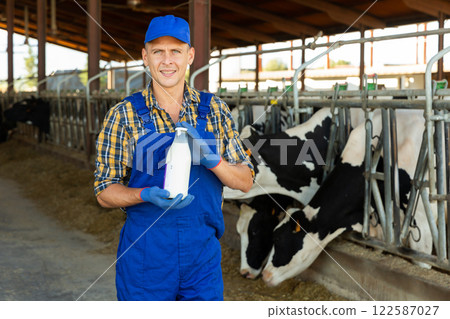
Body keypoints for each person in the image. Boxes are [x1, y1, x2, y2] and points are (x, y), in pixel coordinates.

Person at [94, 15, 254, 301]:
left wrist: (213, 161)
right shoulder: (123, 115)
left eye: (176, 51)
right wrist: (144, 194)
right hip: (146, 257)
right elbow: (104, 192)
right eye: (158, 51)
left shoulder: (214, 110)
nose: (167, 61)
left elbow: (245, 181)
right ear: (145, 57)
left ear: (190, 56)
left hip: (202, 258)